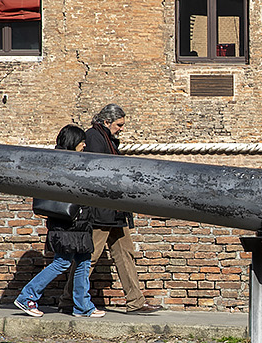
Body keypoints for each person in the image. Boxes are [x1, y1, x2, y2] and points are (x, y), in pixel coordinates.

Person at [14, 125, 104, 318]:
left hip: (80, 224)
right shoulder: (63, 162)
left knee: (83, 262)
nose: (85, 144)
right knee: (62, 262)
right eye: (81, 141)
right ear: (73, 142)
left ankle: (83, 307)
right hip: (67, 223)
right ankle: (27, 296)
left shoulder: (70, 161)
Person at [81, 104, 159, 314]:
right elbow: (99, 171)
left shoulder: (106, 138)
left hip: (114, 211)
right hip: (101, 211)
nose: (121, 129)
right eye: (119, 125)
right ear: (107, 122)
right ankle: (70, 300)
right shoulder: (95, 137)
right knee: (90, 257)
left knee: (126, 254)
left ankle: (136, 301)